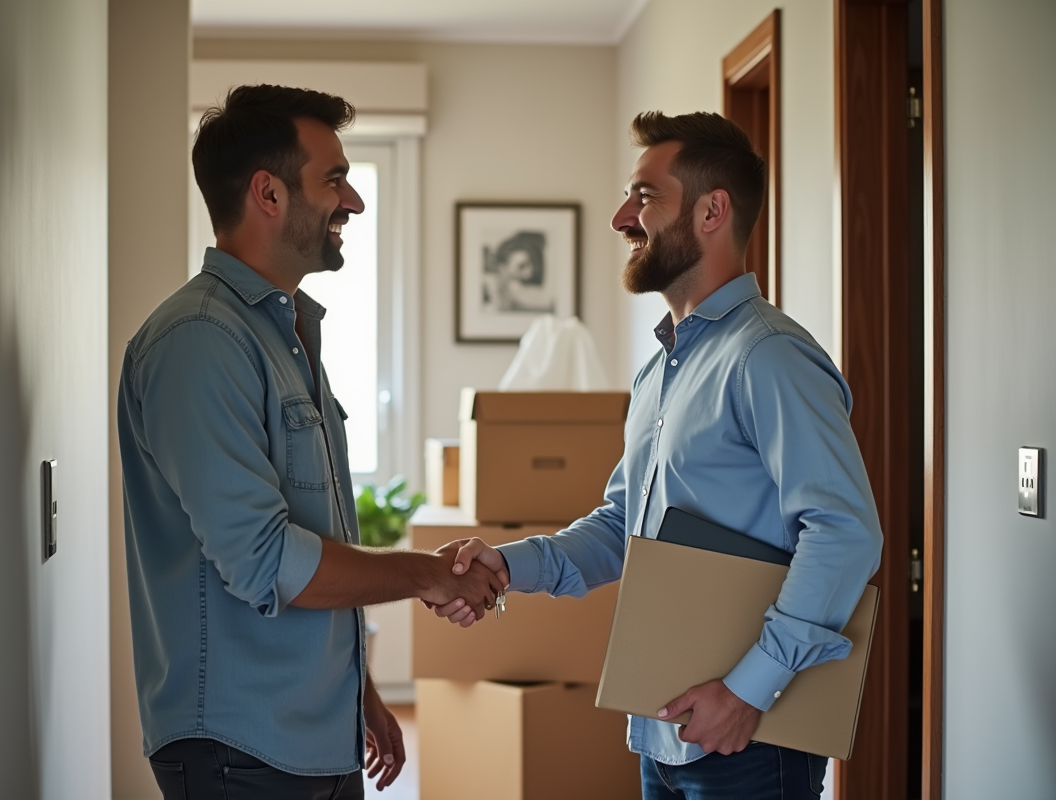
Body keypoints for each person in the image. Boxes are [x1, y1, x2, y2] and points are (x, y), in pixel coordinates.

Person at [433, 111, 884, 799]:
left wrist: (747, 690)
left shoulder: (769, 358)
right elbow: (622, 527)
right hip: (664, 726)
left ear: (712, 210)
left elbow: (846, 532)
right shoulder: (660, 371)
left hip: (749, 738)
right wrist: (508, 565)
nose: (621, 218)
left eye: (643, 197)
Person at [117, 84, 505, 800]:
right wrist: (425, 573)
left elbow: (311, 531)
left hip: (303, 735)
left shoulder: (284, 333)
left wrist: (355, 693)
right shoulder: (200, 342)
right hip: (240, 750)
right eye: (334, 179)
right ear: (268, 194)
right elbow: (266, 560)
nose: (352, 202)